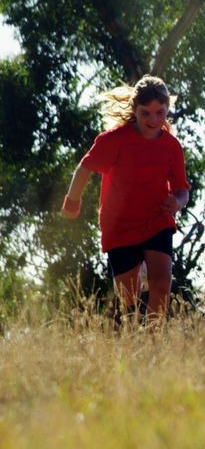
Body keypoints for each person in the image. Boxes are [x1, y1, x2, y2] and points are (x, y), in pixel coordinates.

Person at [60, 75, 190, 324]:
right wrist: (72, 201)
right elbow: (85, 167)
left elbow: (182, 190)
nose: (153, 120)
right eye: (146, 113)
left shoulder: (172, 147)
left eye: (159, 113)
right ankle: (133, 337)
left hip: (157, 220)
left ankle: (152, 341)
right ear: (135, 110)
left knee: (162, 286)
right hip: (119, 225)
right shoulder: (114, 140)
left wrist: (178, 202)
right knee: (129, 301)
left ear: (167, 110)